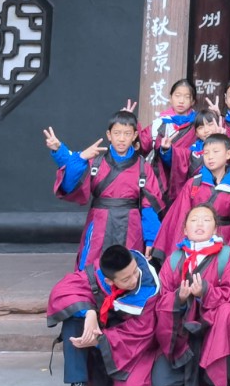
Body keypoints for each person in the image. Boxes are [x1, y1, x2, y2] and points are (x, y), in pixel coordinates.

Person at [151, 203, 230, 386]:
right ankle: (201, 376)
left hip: (214, 330)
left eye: (206, 220)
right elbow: (162, 299)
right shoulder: (174, 259)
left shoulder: (226, 256)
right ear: (184, 229)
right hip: (183, 334)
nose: (200, 224)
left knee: (227, 311)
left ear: (215, 229)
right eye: (194, 220)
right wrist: (179, 298)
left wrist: (204, 291)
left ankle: (215, 377)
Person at [47, 243, 161, 386]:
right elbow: (63, 290)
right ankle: (78, 384)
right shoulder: (99, 274)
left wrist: (100, 340)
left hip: (130, 344)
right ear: (109, 280)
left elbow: (142, 331)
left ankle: (104, 380)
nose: (134, 279)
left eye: (134, 271)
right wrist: (89, 312)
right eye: (126, 279)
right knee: (74, 318)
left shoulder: (148, 287)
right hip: (103, 330)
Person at [45, 110, 162, 272]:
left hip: (131, 225)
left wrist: (151, 239)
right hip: (99, 222)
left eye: (127, 133)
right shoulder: (96, 162)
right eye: (117, 133)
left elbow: (150, 205)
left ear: (135, 135)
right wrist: (60, 150)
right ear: (109, 135)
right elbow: (70, 182)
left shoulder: (143, 167)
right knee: (91, 266)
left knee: (128, 269)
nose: (122, 138)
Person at [153, 132, 230, 259]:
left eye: (216, 152)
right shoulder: (194, 183)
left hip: (225, 238)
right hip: (196, 238)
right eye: (206, 153)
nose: (210, 157)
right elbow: (181, 216)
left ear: (228, 154)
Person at [140, 78, 201, 193]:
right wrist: (129, 125)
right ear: (170, 98)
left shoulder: (199, 124)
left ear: (193, 101)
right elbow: (141, 144)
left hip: (189, 182)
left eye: (186, 97)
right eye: (177, 96)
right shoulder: (159, 123)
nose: (181, 101)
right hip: (161, 182)